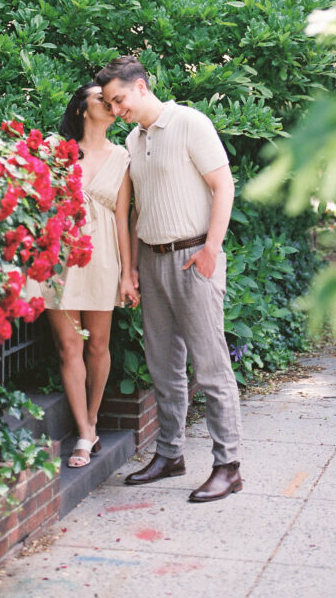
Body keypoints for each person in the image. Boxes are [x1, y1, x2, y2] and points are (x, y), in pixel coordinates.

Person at [95, 56, 243, 503]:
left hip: (193, 258)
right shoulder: (132, 140)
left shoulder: (189, 123)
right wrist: (134, 268)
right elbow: (139, 206)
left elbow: (224, 185)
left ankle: (228, 466)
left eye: (119, 99)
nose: (116, 109)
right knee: (163, 366)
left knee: (211, 367)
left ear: (141, 87)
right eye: (109, 103)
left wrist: (211, 250)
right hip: (154, 263)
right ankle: (170, 454)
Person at [28, 83, 139, 468]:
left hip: (104, 257)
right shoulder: (57, 153)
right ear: (81, 109)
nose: (110, 106)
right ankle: (84, 431)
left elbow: (123, 220)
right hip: (59, 259)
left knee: (97, 345)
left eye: (112, 102)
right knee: (68, 347)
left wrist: (128, 273)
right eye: (101, 100)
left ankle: (93, 417)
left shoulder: (122, 157)